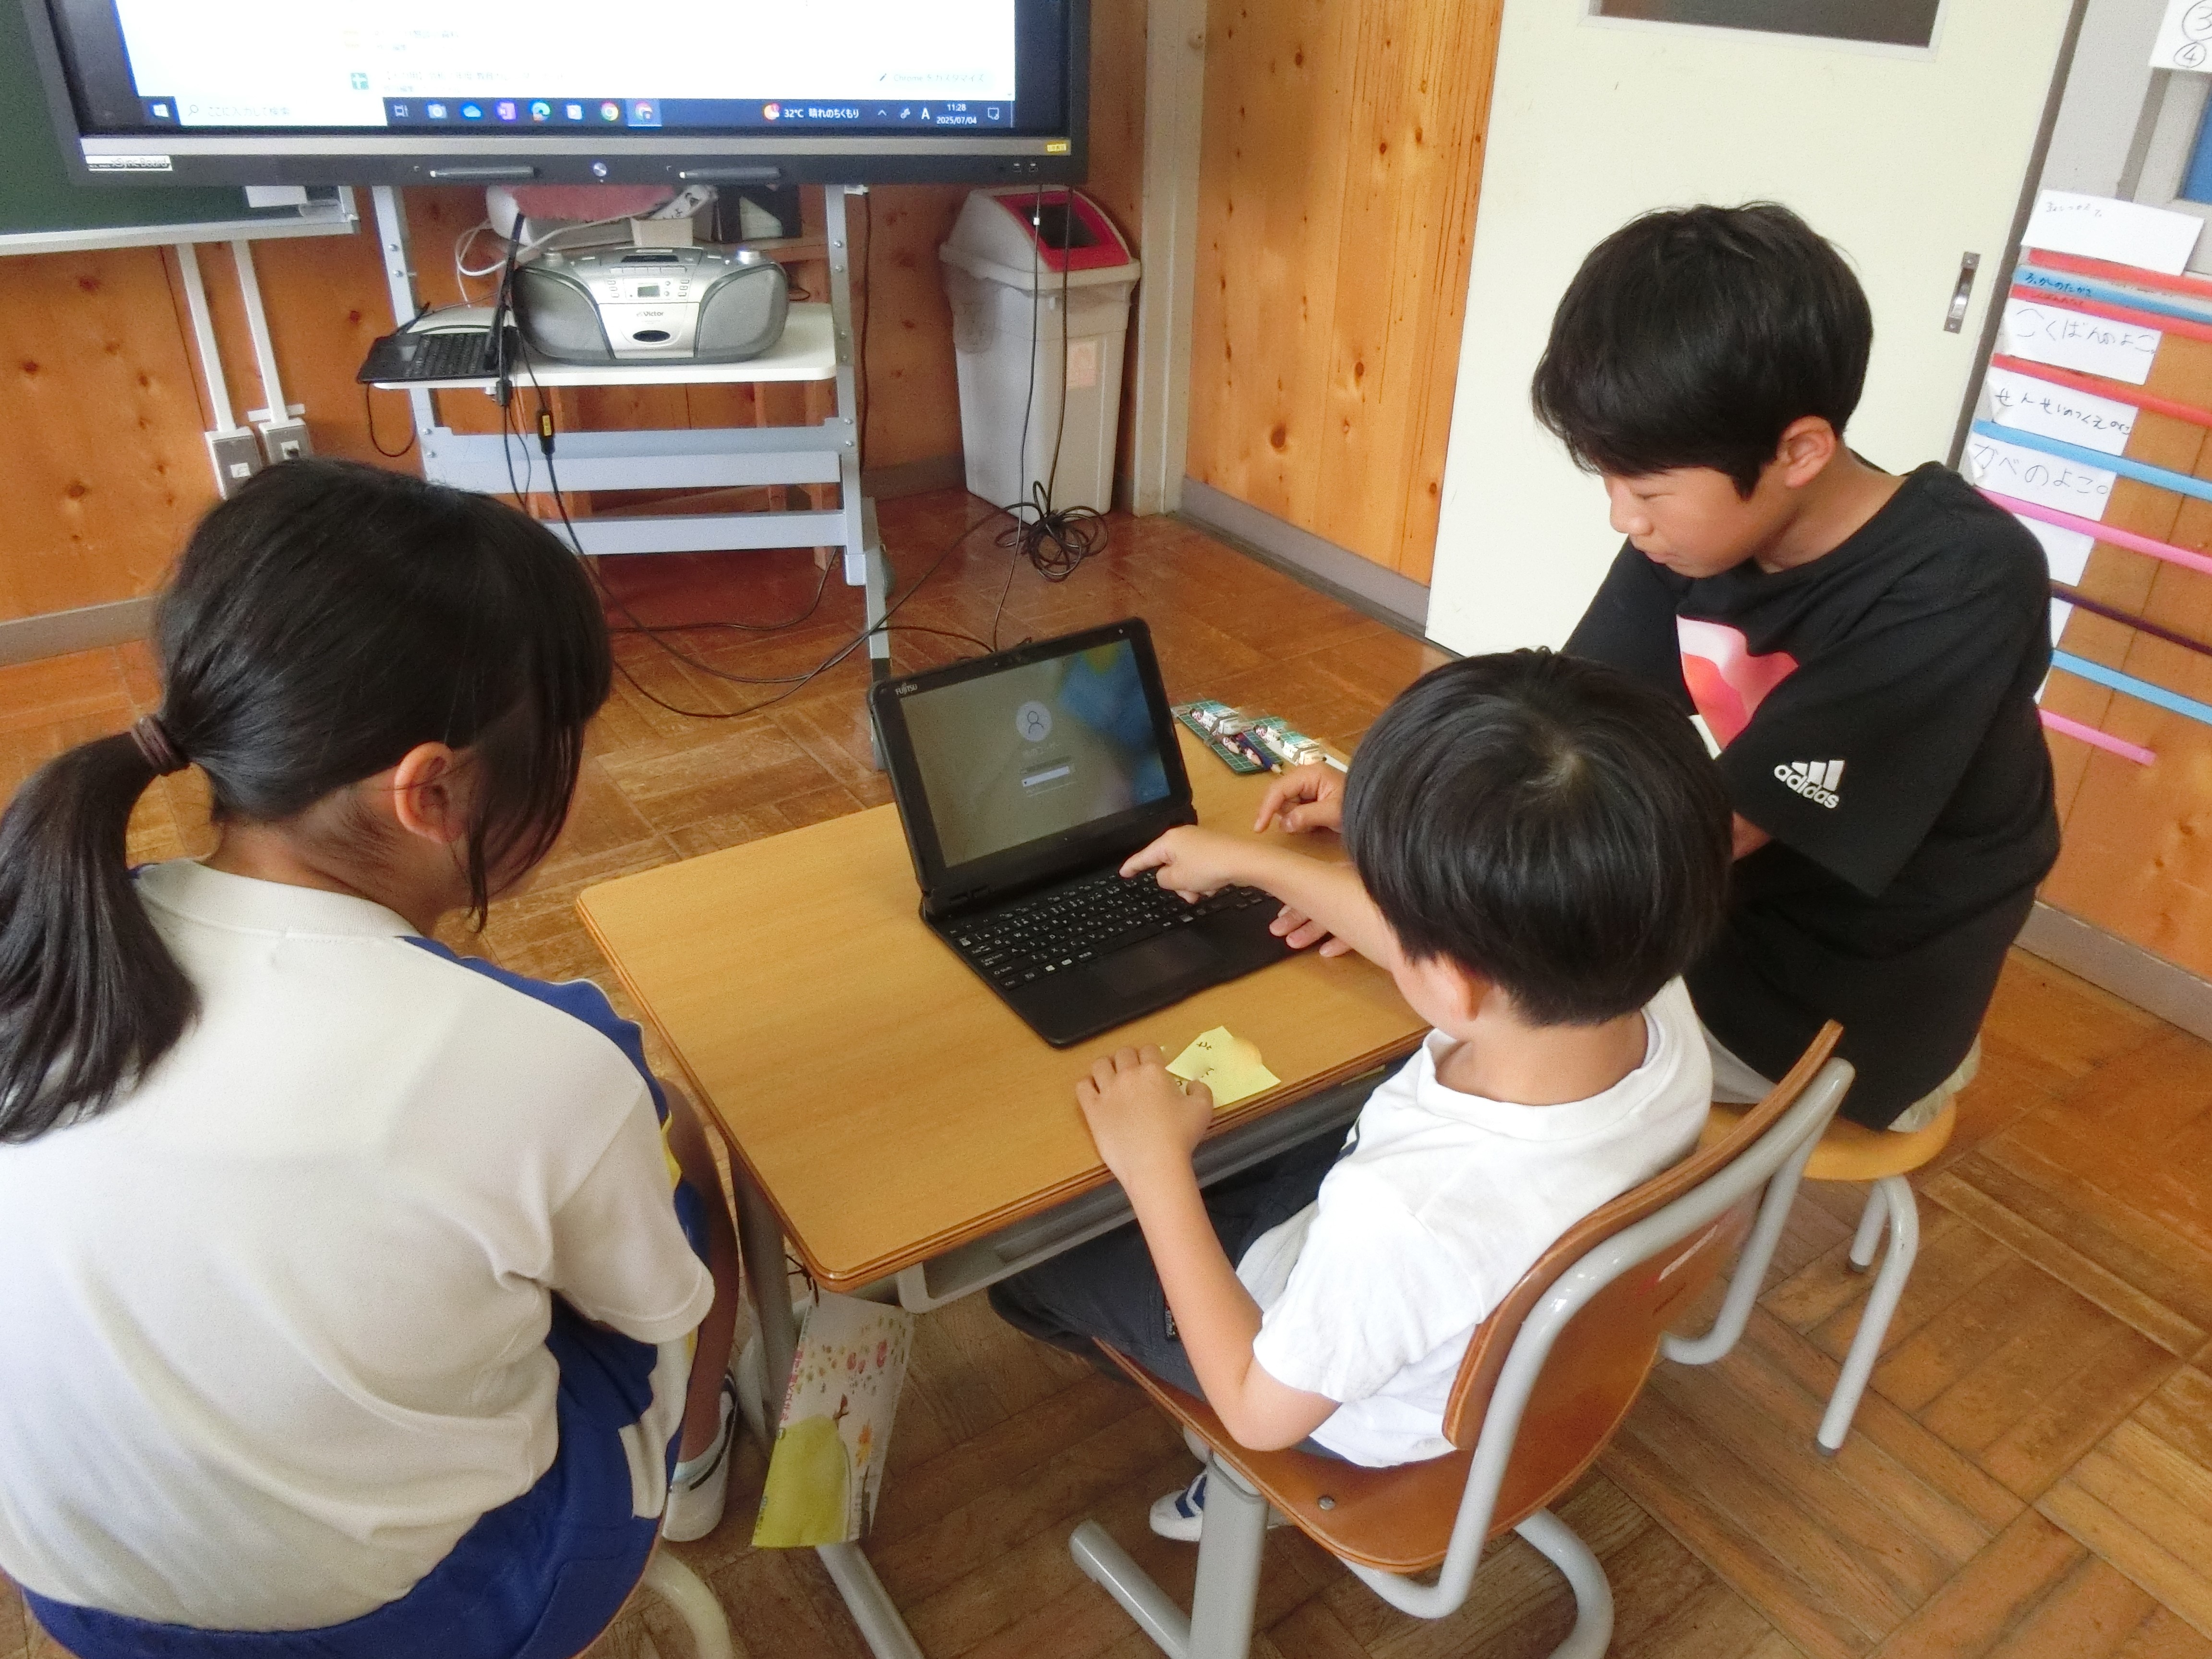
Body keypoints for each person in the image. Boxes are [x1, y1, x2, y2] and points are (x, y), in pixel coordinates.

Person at [0, 460, 745, 1658]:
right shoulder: (548, 1062)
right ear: (432, 792)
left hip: (81, 1601)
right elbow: (650, 1304)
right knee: (677, 1147)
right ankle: (694, 1463)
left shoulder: (39, 937)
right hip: (425, 1618)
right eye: (566, 744)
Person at [1267, 204, 2060, 1132]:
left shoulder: (1960, 583)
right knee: (1403, 989)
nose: (1624, 519)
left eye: (1645, 489)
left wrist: (1408, 877)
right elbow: (1563, 723)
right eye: (1609, 480)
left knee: (1446, 1039)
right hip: (1700, 918)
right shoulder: (1698, 532)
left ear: (1800, 452)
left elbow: (1687, 842)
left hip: (1837, 1002)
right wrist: (1391, 810)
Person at [990, 650, 1730, 1538]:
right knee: (1263, 1137)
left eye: (1392, 907)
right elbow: (1473, 972)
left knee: (1031, 1261)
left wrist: (1155, 1170)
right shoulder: (1643, 981)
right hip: (1447, 1302)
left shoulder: (1402, 1215)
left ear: (1453, 979)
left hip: (1323, 1400)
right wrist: (1253, 864)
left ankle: (1234, 1479)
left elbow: (1259, 1407)